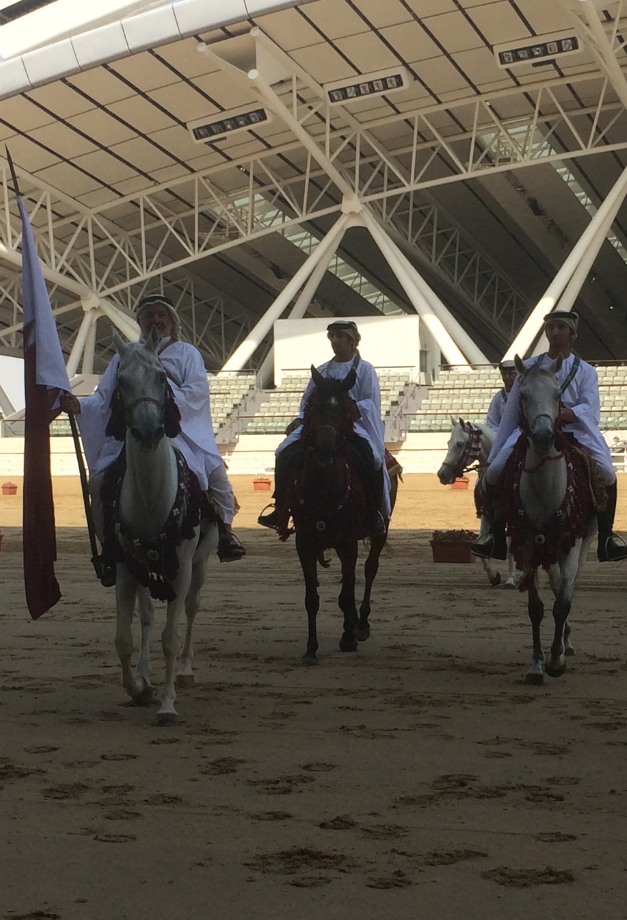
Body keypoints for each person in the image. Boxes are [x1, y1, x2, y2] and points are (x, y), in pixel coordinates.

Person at [60, 294, 245, 586]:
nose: (155, 320)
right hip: (134, 432)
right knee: (97, 482)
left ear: (171, 320)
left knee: (214, 476)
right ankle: (109, 547)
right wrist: (79, 406)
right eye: (148, 315)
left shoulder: (186, 354)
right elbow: (104, 397)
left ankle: (225, 533)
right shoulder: (125, 354)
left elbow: (197, 394)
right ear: (140, 321)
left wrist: (161, 397)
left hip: (178, 431)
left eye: (161, 314)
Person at [472, 310, 627, 563]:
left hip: (574, 430)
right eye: (551, 327)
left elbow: (590, 406)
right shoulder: (530, 366)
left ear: (572, 333)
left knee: (608, 474)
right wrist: (502, 442)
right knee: (494, 471)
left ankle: (607, 538)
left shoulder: (586, 371)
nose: (555, 332)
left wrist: (566, 413)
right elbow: (513, 407)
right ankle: (495, 536)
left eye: (561, 327)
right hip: (533, 431)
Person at [257, 319, 390, 536]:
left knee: (373, 458)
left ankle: (374, 512)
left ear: (351, 341)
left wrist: (346, 407)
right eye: (332, 336)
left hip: (354, 424)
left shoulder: (365, 370)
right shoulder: (322, 370)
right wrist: (301, 418)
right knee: (283, 451)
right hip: (320, 424)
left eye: (340, 336)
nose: (335, 340)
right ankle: (280, 506)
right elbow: (307, 401)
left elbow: (371, 401)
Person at [485, 359, 517, 433]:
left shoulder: (525, 394)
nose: (507, 377)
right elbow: (491, 424)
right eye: (504, 374)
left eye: (510, 374)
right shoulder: (498, 398)